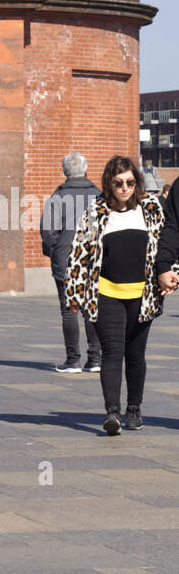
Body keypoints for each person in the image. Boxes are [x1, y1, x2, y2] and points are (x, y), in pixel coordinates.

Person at [65, 155, 174, 435]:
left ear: (136, 182)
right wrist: (74, 292)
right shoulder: (96, 210)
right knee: (112, 352)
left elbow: (168, 244)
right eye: (118, 183)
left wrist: (172, 272)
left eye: (130, 182)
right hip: (106, 293)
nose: (125, 188)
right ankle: (112, 412)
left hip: (143, 295)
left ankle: (134, 409)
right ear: (109, 184)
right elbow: (80, 253)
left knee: (135, 354)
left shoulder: (151, 208)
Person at [40, 152, 101, 374]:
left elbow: (49, 233)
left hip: (65, 261)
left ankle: (72, 360)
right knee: (91, 309)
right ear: (86, 170)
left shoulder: (57, 198)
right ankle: (95, 359)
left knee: (70, 310)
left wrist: (54, 253)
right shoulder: (100, 196)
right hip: (93, 261)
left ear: (65, 172)